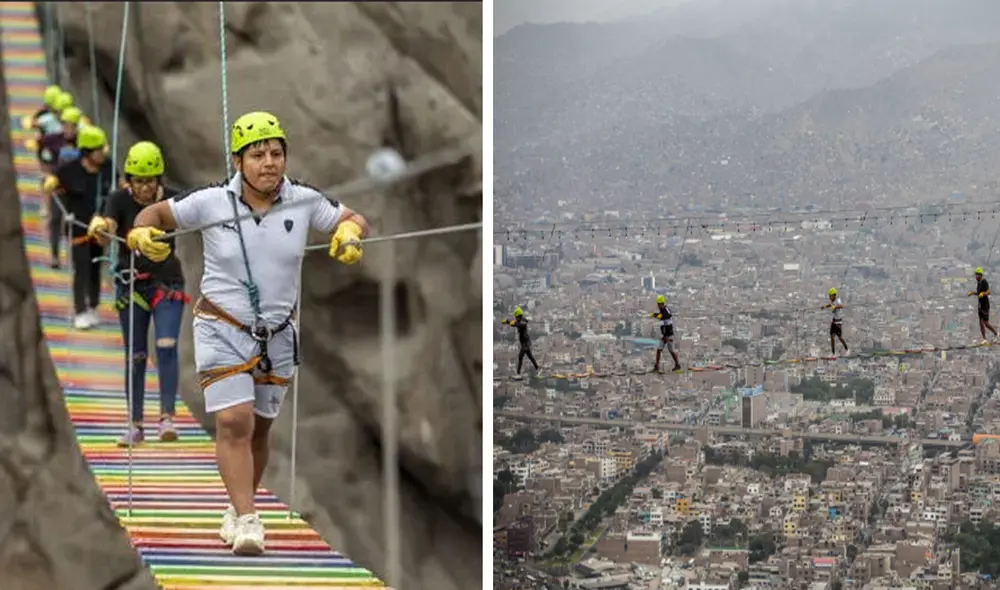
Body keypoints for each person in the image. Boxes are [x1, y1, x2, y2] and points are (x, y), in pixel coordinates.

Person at [125, 111, 369, 556]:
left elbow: (349, 216)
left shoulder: (304, 200)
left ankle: (238, 510)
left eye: (276, 153)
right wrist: (141, 232)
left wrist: (351, 232)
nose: (269, 162)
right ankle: (250, 519)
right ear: (238, 161)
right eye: (257, 155)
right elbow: (157, 212)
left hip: (278, 334)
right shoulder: (211, 202)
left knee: (258, 429)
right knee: (234, 421)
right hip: (222, 326)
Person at [87, 141, 188, 446]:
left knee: (166, 346)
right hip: (131, 285)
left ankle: (167, 418)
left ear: (159, 179)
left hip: (167, 283)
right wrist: (100, 227)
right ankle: (136, 424)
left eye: (150, 181)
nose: (144, 188)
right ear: (128, 180)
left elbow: (197, 213)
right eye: (139, 181)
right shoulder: (119, 199)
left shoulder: (172, 201)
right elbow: (109, 231)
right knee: (136, 354)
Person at [43, 124, 116, 329]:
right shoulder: (70, 169)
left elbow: (119, 183)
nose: (102, 153)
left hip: (100, 228)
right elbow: (54, 180)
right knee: (81, 268)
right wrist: (50, 182)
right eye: (98, 150)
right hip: (78, 228)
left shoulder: (108, 167)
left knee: (95, 268)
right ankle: (80, 310)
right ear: (87, 152)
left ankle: (93, 305)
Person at [502, 307, 538, 375]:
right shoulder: (520, 321)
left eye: (516, 317)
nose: (515, 318)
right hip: (524, 342)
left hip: (525, 342)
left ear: (519, 316)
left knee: (520, 356)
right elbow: (515, 323)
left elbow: (518, 324)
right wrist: (508, 321)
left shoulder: (523, 322)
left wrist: (511, 323)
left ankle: (518, 372)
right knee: (529, 356)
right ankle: (537, 367)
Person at [650, 295, 681, 372]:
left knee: (671, 351)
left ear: (662, 303)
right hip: (663, 335)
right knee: (659, 350)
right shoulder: (661, 311)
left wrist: (660, 315)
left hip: (669, 335)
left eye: (659, 304)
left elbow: (668, 315)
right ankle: (656, 366)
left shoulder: (666, 310)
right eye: (658, 304)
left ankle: (677, 365)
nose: (658, 306)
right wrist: (655, 315)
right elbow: (660, 316)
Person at [969, 267, 998, 344]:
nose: (976, 276)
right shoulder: (978, 283)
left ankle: (996, 334)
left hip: (985, 305)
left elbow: (988, 292)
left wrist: (983, 293)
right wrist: (973, 293)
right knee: (981, 323)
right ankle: (985, 338)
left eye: (978, 275)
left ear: (981, 275)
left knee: (985, 323)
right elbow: (979, 293)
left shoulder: (984, 282)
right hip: (980, 305)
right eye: (976, 275)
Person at [823, 288, 849, 355]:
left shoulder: (838, 300)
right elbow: (830, 304)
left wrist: (835, 307)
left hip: (838, 322)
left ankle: (847, 349)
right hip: (834, 321)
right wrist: (825, 306)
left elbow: (841, 305)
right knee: (832, 337)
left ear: (834, 295)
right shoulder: (832, 301)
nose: (829, 297)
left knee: (840, 337)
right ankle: (833, 353)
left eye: (830, 296)